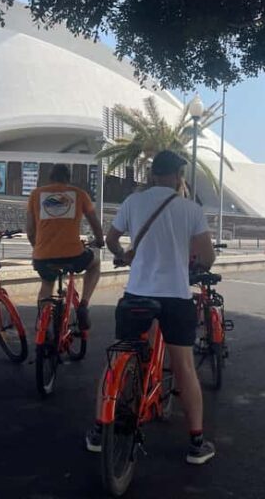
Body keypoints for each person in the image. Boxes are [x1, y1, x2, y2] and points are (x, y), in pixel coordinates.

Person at [86, 150, 217, 465]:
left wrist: (125, 255)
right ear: (178, 177)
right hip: (175, 297)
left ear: (153, 175)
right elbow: (207, 257)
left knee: (120, 354)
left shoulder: (133, 203)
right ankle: (196, 443)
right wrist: (193, 266)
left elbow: (112, 240)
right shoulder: (190, 209)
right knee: (184, 366)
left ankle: (98, 430)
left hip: (137, 293)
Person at [26, 163, 105, 330]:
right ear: (68, 179)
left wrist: (37, 247)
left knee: (47, 284)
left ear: (50, 178)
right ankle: (83, 304)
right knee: (95, 263)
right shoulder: (79, 194)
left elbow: (30, 229)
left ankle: (42, 323)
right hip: (74, 255)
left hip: (43, 256)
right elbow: (94, 222)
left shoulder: (36, 195)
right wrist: (99, 240)